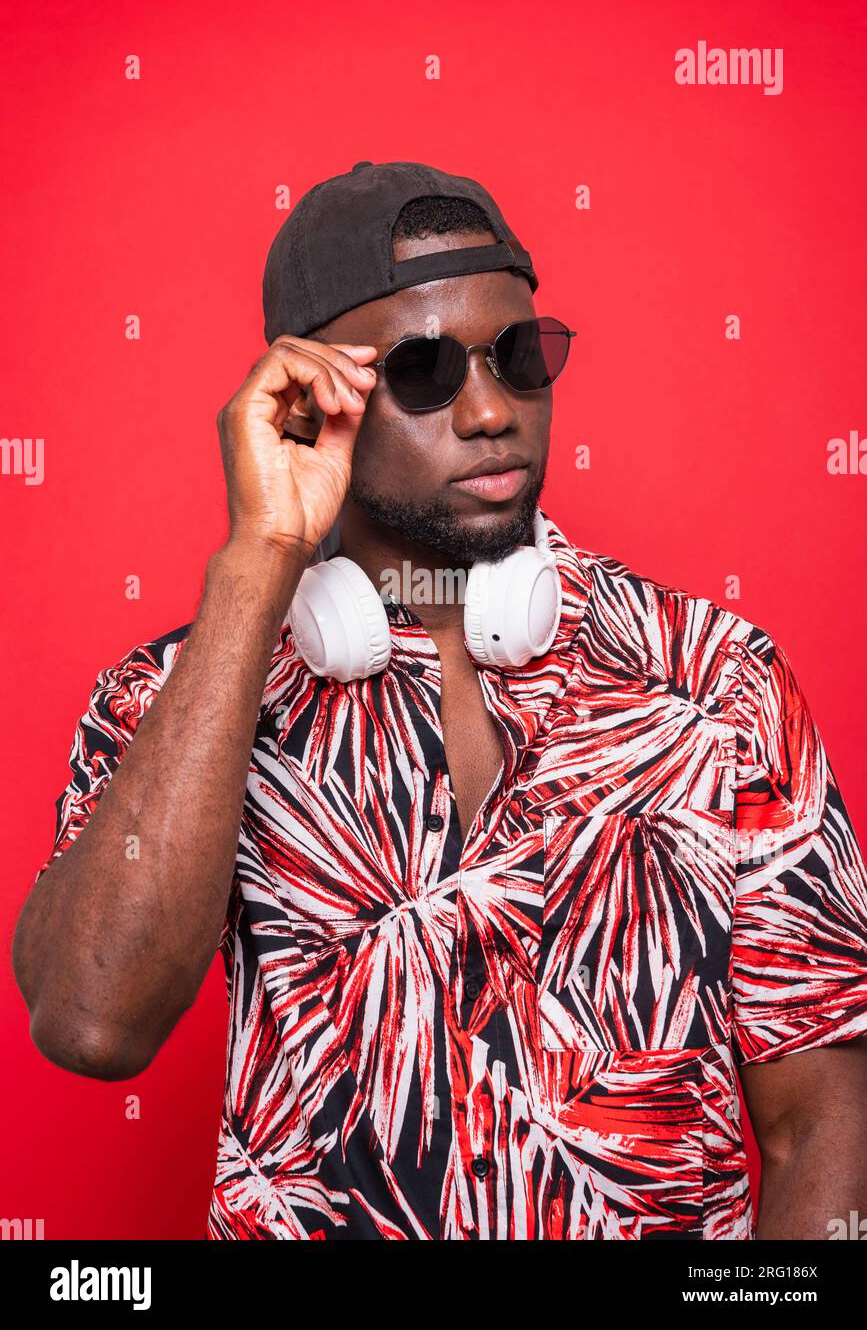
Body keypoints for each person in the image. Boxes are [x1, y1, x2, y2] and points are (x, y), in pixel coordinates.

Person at [13, 160, 867, 1241]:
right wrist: (258, 561)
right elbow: (93, 1021)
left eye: (520, 355)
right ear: (314, 397)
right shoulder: (172, 699)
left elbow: (822, 1117)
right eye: (420, 371)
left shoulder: (716, 678)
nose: (489, 408)